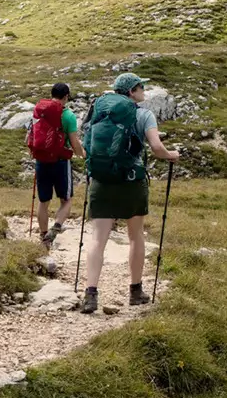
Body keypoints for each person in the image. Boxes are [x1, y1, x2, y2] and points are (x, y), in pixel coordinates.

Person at [77, 72, 180, 314]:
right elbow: (156, 148)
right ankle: (135, 291)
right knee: (136, 235)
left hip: (102, 180)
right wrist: (171, 155)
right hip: (132, 182)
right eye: (140, 87)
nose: (144, 90)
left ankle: (91, 294)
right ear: (131, 91)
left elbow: (85, 144)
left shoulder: (98, 111)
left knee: (97, 238)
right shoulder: (143, 114)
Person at [26, 82, 81, 247]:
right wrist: (82, 154)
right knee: (66, 200)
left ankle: (44, 238)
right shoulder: (68, 116)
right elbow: (74, 142)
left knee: (44, 202)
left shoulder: (39, 112)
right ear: (66, 97)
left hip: (42, 161)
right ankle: (55, 229)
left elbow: (28, 138)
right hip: (61, 162)